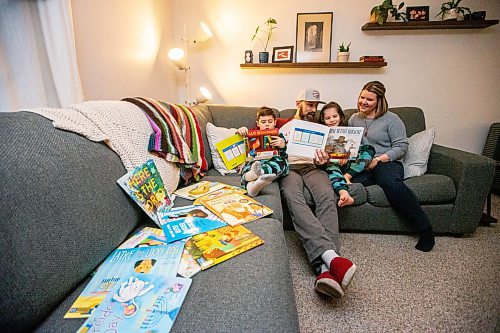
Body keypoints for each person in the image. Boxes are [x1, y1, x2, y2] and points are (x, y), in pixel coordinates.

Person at [279, 88, 356, 299]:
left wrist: (324, 160)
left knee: (327, 197)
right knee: (294, 199)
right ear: (299, 104)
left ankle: (324, 271)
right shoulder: (284, 126)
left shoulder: (323, 129)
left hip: (314, 168)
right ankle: (331, 261)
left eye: (315, 105)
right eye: (309, 104)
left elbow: (332, 156)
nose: (313, 109)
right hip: (291, 170)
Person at [348, 81, 435, 252]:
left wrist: (379, 160)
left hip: (387, 162)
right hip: (363, 163)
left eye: (369, 99)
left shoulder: (391, 119)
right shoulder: (354, 119)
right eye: (362, 97)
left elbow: (401, 147)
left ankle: (425, 229)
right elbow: (352, 145)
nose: (363, 102)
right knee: (342, 181)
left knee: (390, 184)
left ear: (379, 101)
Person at [318, 102, 376, 207]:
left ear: (340, 116)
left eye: (335, 116)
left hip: (350, 163)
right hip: (332, 163)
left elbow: (355, 147)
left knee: (368, 149)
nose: (332, 120)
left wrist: (346, 156)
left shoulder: (348, 129)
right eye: (328, 118)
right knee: (332, 169)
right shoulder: (323, 133)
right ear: (323, 120)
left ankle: (347, 177)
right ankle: (343, 192)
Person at [237, 107, 289, 197]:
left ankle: (260, 173)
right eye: (263, 122)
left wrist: (282, 146)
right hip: (256, 162)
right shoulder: (252, 133)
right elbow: (238, 143)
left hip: (272, 161)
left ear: (275, 122)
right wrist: (240, 131)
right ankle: (252, 188)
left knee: (280, 162)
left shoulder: (279, 135)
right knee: (247, 166)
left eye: (270, 121)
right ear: (258, 123)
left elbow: (284, 156)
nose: (267, 125)